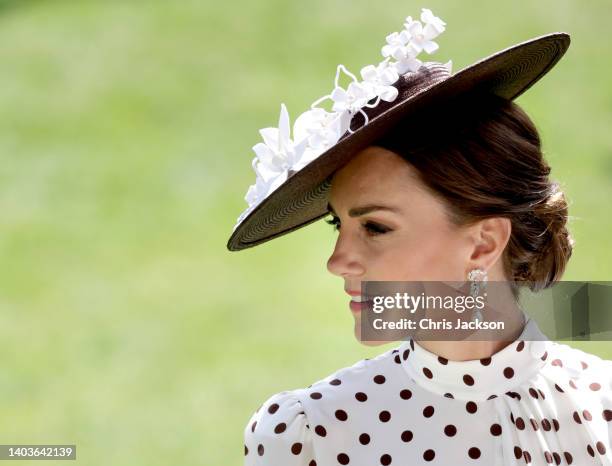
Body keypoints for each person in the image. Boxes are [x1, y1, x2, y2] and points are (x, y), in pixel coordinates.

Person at [227, 8, 612, 466]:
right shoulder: (312, 435)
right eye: (338, 224)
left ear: (484, 243)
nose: (337, 261)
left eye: (375, 227)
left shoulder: (602, 408)